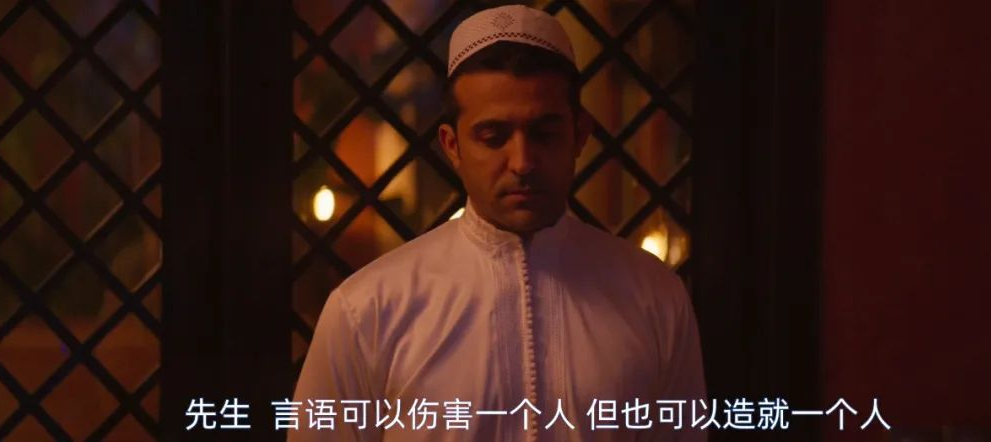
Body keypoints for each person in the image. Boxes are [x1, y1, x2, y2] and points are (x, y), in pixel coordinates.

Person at [291, 5, 706, 441]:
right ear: (452, 146)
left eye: (543, 134)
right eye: (494, 137)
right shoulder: (369, 309)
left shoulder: (654, 298)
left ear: (580, 134)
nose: (522, 162)